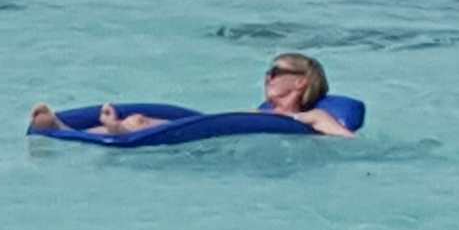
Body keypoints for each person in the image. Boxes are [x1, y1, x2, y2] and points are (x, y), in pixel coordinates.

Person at [28, 52, 355, 138]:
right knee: (139, 117)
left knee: (138, 121)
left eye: (277, 71)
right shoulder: (263, 111)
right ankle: (68, 129)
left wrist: (310, 127)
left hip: (222, 141)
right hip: (219, 131)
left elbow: (348, 140)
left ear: (300, 83)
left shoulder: (311, 116)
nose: (268, 77)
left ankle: (107, 130)